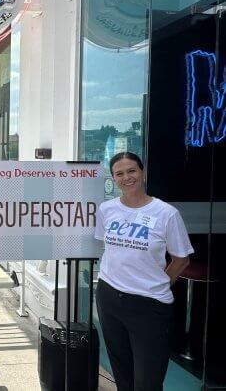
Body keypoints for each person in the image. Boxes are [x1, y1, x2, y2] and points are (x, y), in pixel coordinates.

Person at [95, 151, 193, 391]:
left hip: (150, 306)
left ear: (143, 172)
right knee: (123, 374)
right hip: (109, 297)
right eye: (119, 173)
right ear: (113, 179)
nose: (126, 177)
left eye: (132, 171)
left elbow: (182, 259)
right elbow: (106, 248)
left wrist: (157, 284)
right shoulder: (106, 209)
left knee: (147, 381)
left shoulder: (166, 214)